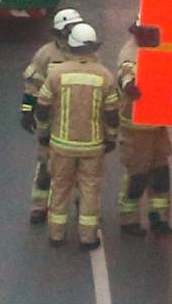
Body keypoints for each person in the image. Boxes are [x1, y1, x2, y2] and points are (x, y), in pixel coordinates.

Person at [31, 20, 118, 250]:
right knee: (90, 189)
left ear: (71, 46)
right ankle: (88, 238)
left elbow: (42, 107)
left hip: (61, 145)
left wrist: (44, 134)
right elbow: (112, 114)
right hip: (92, 146)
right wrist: (110, 138)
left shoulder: (57, 74)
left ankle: (56, 235)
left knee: (59, 186)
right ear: (93, 48)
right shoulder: (105, 76)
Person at [20, 5, 87, 225]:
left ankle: (82, 206)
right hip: (50, 119)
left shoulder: (87, 52)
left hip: (78, 119)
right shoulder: (46, 54)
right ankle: (39, 207)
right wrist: (27, 112)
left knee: (80, 167)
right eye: (69, 28)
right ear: (60, 32)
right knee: (45, 165)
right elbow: (32, 86)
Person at [115, 23, 172, 238]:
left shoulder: (156, 49)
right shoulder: (130, 52)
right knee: (137, 175)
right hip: (136, 128)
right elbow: (125, 74)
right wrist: (130, 85)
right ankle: (128, 220)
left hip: (156, 124)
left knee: (160, 173)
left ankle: (159, 219)